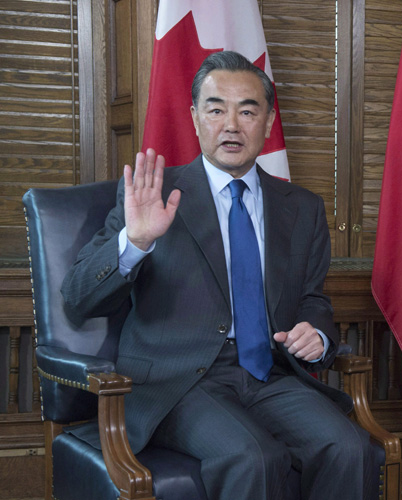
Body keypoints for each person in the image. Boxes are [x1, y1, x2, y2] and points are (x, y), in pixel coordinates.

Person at [61, 50, 373, 499]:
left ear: (267, 123)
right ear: (194, 118)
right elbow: (77, 297)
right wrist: (137, 241)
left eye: (247, 111)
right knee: (253, 458)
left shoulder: (302, 208)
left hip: (270, 374)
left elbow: (312, 299)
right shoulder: (154, 197)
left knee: (348, 447)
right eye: (216, 109)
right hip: (180, 382)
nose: (231, 124)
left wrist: (317, 336)